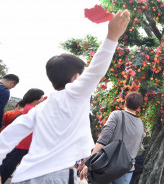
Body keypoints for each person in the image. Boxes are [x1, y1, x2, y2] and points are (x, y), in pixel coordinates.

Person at [0, 9, 130, 184]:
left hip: (24, 176)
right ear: (77, 78)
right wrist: (112, 37)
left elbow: (7, 137)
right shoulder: (76, 92)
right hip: (55, 177)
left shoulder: (41, 108)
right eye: (83, 75)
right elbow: (96, 70)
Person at [80, 91, 144, 184]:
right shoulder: (140, 124)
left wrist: (89, 163)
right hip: (126, 170)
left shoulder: (117, 115)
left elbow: (103, 140)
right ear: (139, 107)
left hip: (107, 168)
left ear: (125, 102)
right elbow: (138, 147)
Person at [0, 88, 44, 183]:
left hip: (22, 143)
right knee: (7, 167)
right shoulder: (32, 109)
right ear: (36, 98)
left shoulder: (29, 107)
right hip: (23, 144)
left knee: (8, 166)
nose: (42, 99)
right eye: (41, 97)